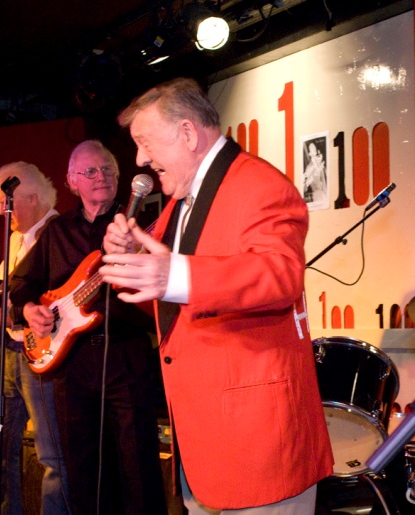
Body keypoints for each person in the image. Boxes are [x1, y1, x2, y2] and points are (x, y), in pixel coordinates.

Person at [98, 77, 334, 514]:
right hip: (206, 446)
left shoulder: (260, 184)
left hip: (258, 451)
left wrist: (174, 272)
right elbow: (178, 301)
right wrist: (133, 263)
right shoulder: (179, 201)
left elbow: (280, 275)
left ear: (188, 133)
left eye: (145, 142)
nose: (140, 159)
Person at [8, 140, 168, 515]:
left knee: (138, 466)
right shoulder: (57, 232)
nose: (102, 177)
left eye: (108, 170)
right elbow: (20, 284)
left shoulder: (141, 227)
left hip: (127, 357)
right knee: (82, 471)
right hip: (73, 364)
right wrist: (31, 309)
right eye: (91, 171)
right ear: (71, 181)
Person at [0, 161, 69, 514]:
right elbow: (3, 295)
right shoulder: (15, 240)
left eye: (4, 203)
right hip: (9, 352)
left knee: (52, 455)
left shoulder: (60, 234)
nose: (1, 211)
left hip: (43, 356)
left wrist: (6, 316)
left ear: (30, 197)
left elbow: (61, 303)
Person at [303, 140, 327, 205]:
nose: (314, 150)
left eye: (315, 148)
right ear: (309, 153)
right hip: (317, 194)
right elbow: (305, 186)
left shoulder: (319, 163)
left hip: (324, 192)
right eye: (312, 149)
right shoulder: (309, 168)